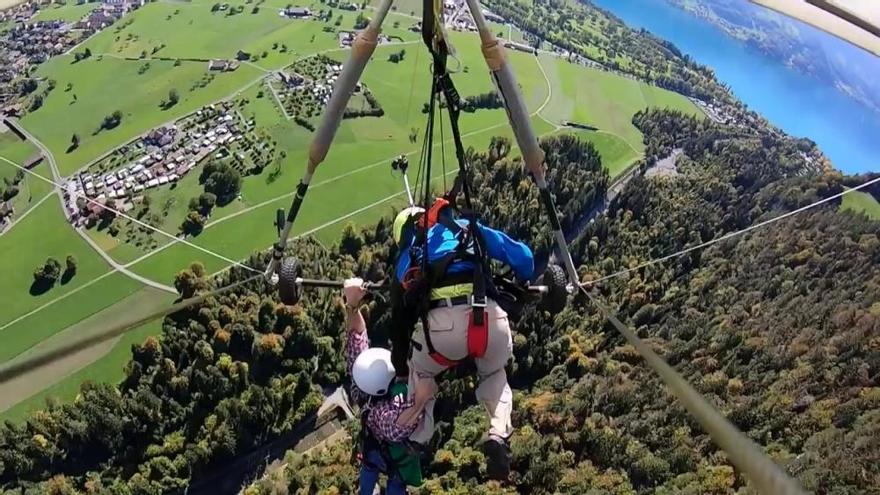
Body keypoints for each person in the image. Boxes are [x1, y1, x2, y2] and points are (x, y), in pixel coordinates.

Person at [389, 201, 534, 481]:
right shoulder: (468, 230)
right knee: (495, 374)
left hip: (442, 332)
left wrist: (403, 367)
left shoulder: (410, 254)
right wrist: (524, 277)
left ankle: (417, 436)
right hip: (490, 319)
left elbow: (400, 319)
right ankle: (498, 431)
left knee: (422, 374)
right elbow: (524, 259)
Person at [343, 277, 435, 495]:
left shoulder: (361, 383)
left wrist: (352, 304)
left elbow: (357, 336)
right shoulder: (384, 414)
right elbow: (400, 426)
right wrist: (421, 398)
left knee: (368, 476)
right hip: (394, 460)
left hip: (372, 452)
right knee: (395, 485)